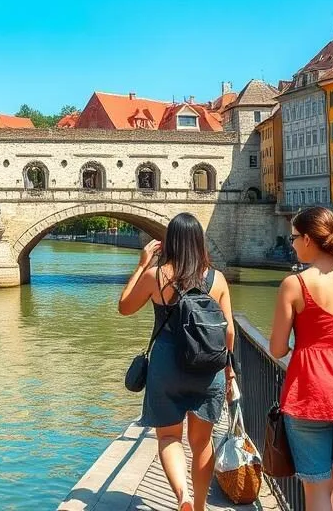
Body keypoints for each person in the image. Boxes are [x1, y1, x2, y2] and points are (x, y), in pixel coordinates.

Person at [118, 212, 235, 511]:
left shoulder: (155, 275)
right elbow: (229, 331)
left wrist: (142, 263)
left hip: (167, 364)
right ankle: (198, 506)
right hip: (207, 367)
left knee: (169, 437)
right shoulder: (216, 278)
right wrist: (229, 371)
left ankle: (181, 495)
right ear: (199, 242)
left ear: (170, 241)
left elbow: (125, 308)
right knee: (202, 443)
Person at [268, 207, 333, 511]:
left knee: (317, 491)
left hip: (308, 394)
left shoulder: (294, 285)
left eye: (294, 237)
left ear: (308, 239)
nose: (292, 243)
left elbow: (278, 349)